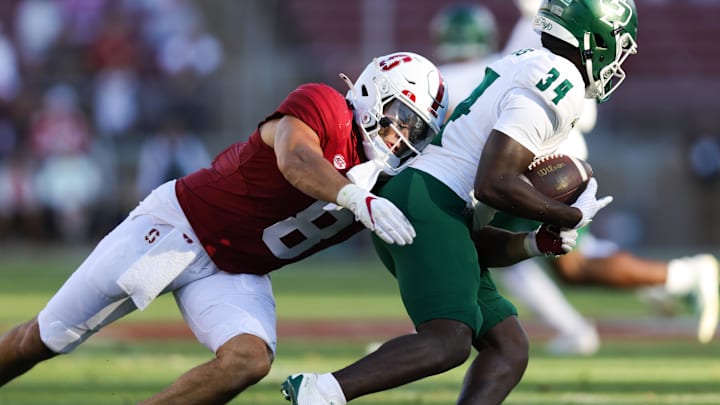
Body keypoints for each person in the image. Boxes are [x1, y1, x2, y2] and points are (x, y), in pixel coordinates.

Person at [0, 51, 454, 404]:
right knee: (40, 340)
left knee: (248, 361)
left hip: (237, 269)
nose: (404, 138)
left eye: (419, 132)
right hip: (177, 227)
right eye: (403, 119)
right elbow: (296, 159)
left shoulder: (395, 179)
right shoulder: (324, 105)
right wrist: (355, 197)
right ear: (376, 94)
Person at [283, 0, 638, 403]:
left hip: (434, 205)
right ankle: (321, 391)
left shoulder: (533, 60)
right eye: (617, 42)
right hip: (430, 204)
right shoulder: (562, 81)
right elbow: (494, 184)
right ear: (593, 39)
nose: (618, 57)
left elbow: (473, 238)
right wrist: (570, 214)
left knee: (508, 346)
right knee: (448, 341)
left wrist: (536, 241)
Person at [464, 0, 719, 354]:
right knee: (544, 258)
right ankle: (658, 287)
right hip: (528, 151)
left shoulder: (552, 44)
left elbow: (578, 113)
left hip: (542, 155)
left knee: (564, 260)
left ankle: (676, 279)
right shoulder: (540, 34)